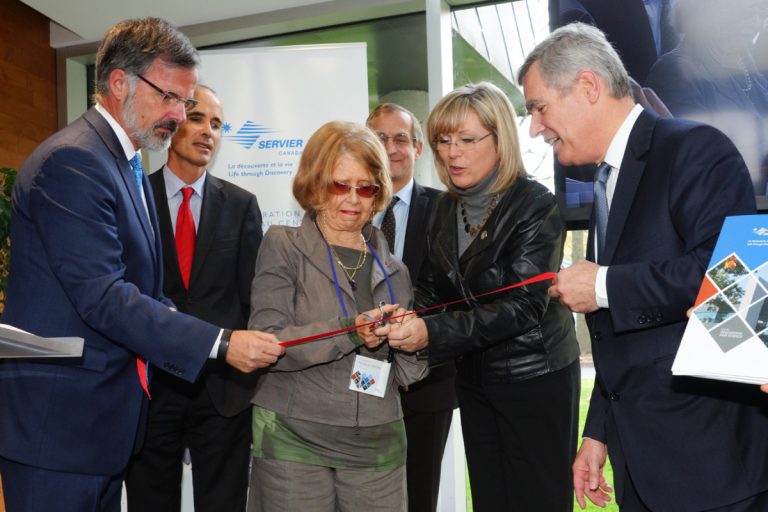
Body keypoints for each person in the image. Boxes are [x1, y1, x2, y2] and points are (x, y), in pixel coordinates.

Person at [0, 18, 284, 512]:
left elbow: (145, 291)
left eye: (187, 102)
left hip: (98, 429)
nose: (178, 115)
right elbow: (105, 297)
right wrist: (218, 343)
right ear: (118, 83)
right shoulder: (74, 162)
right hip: (60, 430)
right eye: (171, 98)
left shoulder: (123, 163)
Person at [519, 22, 768, 511]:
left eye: (538, 107)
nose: (533, 127)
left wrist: (605, 284)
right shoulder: (608, 182)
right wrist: (598, 435)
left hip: (711, 467)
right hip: (641, 465)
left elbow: (736, 288)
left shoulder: (696, 150)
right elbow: (623, 340)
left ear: (588, 86)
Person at [387, 81, 581, 512]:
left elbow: (522, 307)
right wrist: (400, 315)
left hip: (535, 379)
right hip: (474, 381)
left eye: (467, 140)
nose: (452, 152)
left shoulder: (536, 205)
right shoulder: (443, 207)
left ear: (500, 140)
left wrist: (430, 333)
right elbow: (437, 288)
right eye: (443, 140)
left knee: (537, 501)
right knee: (491, 498)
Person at [246, 120, 429, 512]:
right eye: (339, 185)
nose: (353, 198)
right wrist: (351, 331)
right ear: (314, 185)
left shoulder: (396, 270)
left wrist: (416, 341)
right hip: (293, 437)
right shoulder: (283, 246)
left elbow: (409, 374)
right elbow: (269, 341)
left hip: (378, 442)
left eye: (365, 187)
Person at [125, 86, 262, 511]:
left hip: (222, 393)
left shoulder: (241, 206)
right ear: (171, 121)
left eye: (217, 125)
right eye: (199, 118)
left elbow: (251, 301)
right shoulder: (134, 198)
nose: (208, 132)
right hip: (152, 392)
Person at [366, 102, 456, 512]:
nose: (391, 148)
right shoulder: (348, 211)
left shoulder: (447, 209)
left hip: (427, 381)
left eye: (400, 138)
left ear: (418, 148)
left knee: (420, 495)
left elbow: (454, 291)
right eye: (380, 138)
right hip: (359, 379)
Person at [645, 0, 768, 194]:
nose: (756, 22)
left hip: (756, 208)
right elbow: (701, 151)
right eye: (745, 12)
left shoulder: (751, 69)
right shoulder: (676, 71)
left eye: (761, 12)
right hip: (716, 210)